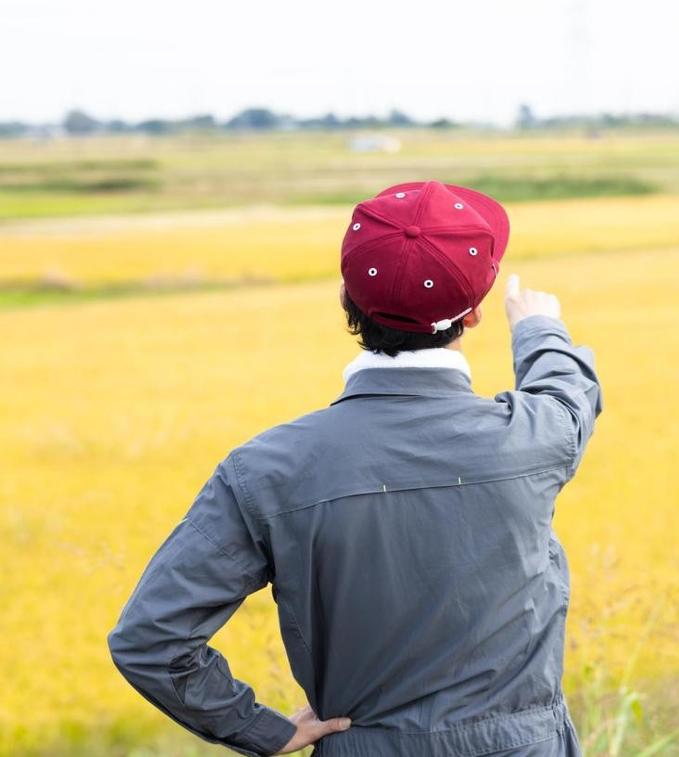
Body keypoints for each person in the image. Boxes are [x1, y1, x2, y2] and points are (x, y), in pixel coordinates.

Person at [107, 181, 603, 756]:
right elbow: (570, 395)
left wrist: (261, 728)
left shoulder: (268, 469)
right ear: (472, 315)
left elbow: (151, 638)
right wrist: (539, 328)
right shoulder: (532, 436)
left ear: (347, 296)